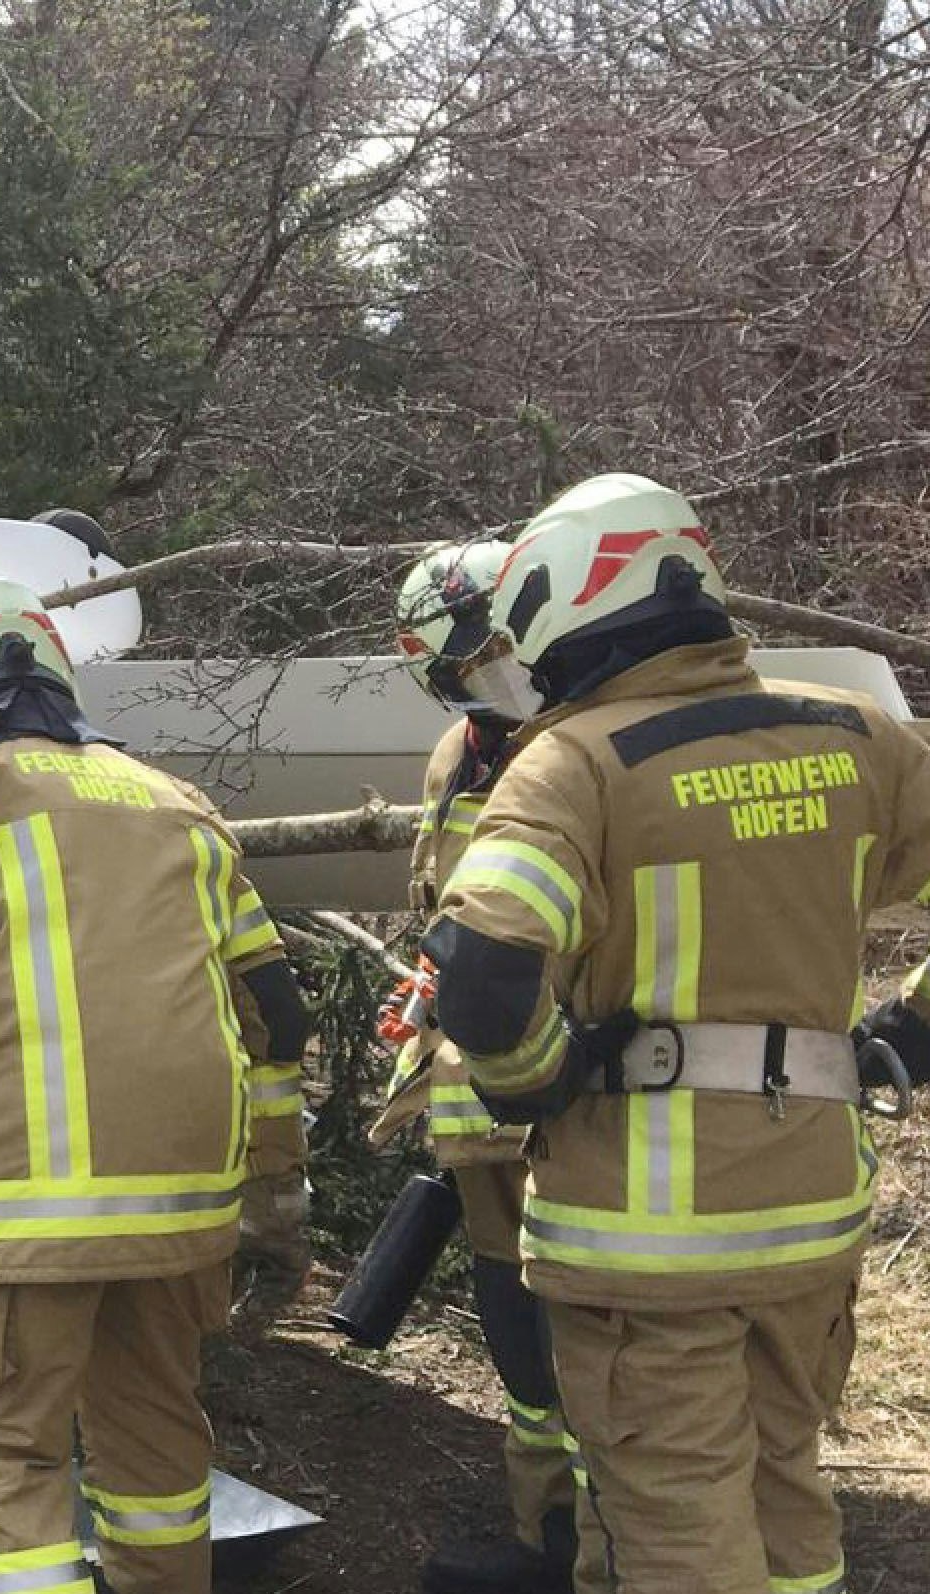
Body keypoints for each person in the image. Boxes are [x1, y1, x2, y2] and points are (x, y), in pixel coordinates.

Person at [427, 473, 930, 1594]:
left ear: (563, 605)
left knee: (672, 1532)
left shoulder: (574, 762)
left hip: (644, 1245)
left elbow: (482, 972)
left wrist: (536, 1077)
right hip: (811, 1217)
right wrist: (917, 1035)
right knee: (785, 1503)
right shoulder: (856, 732)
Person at [0, 575, 311, 1594]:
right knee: (156, 1457)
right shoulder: (175, 802)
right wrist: (272, 1177)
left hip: (12, 1211)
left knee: (1, 1464)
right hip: (179, 1212)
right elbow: (275, 1011)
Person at [371, 542, 578, 1593]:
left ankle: (622, 1546)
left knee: (588, 1316)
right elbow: (451, 909)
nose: (491, 679)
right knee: (513, 1322)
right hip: (474, 1099)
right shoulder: (457, 755)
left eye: (497, 651)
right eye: (462, 668)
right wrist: (424, 994)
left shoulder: (596, 742)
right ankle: (548, 1537)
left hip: (576, 1092)